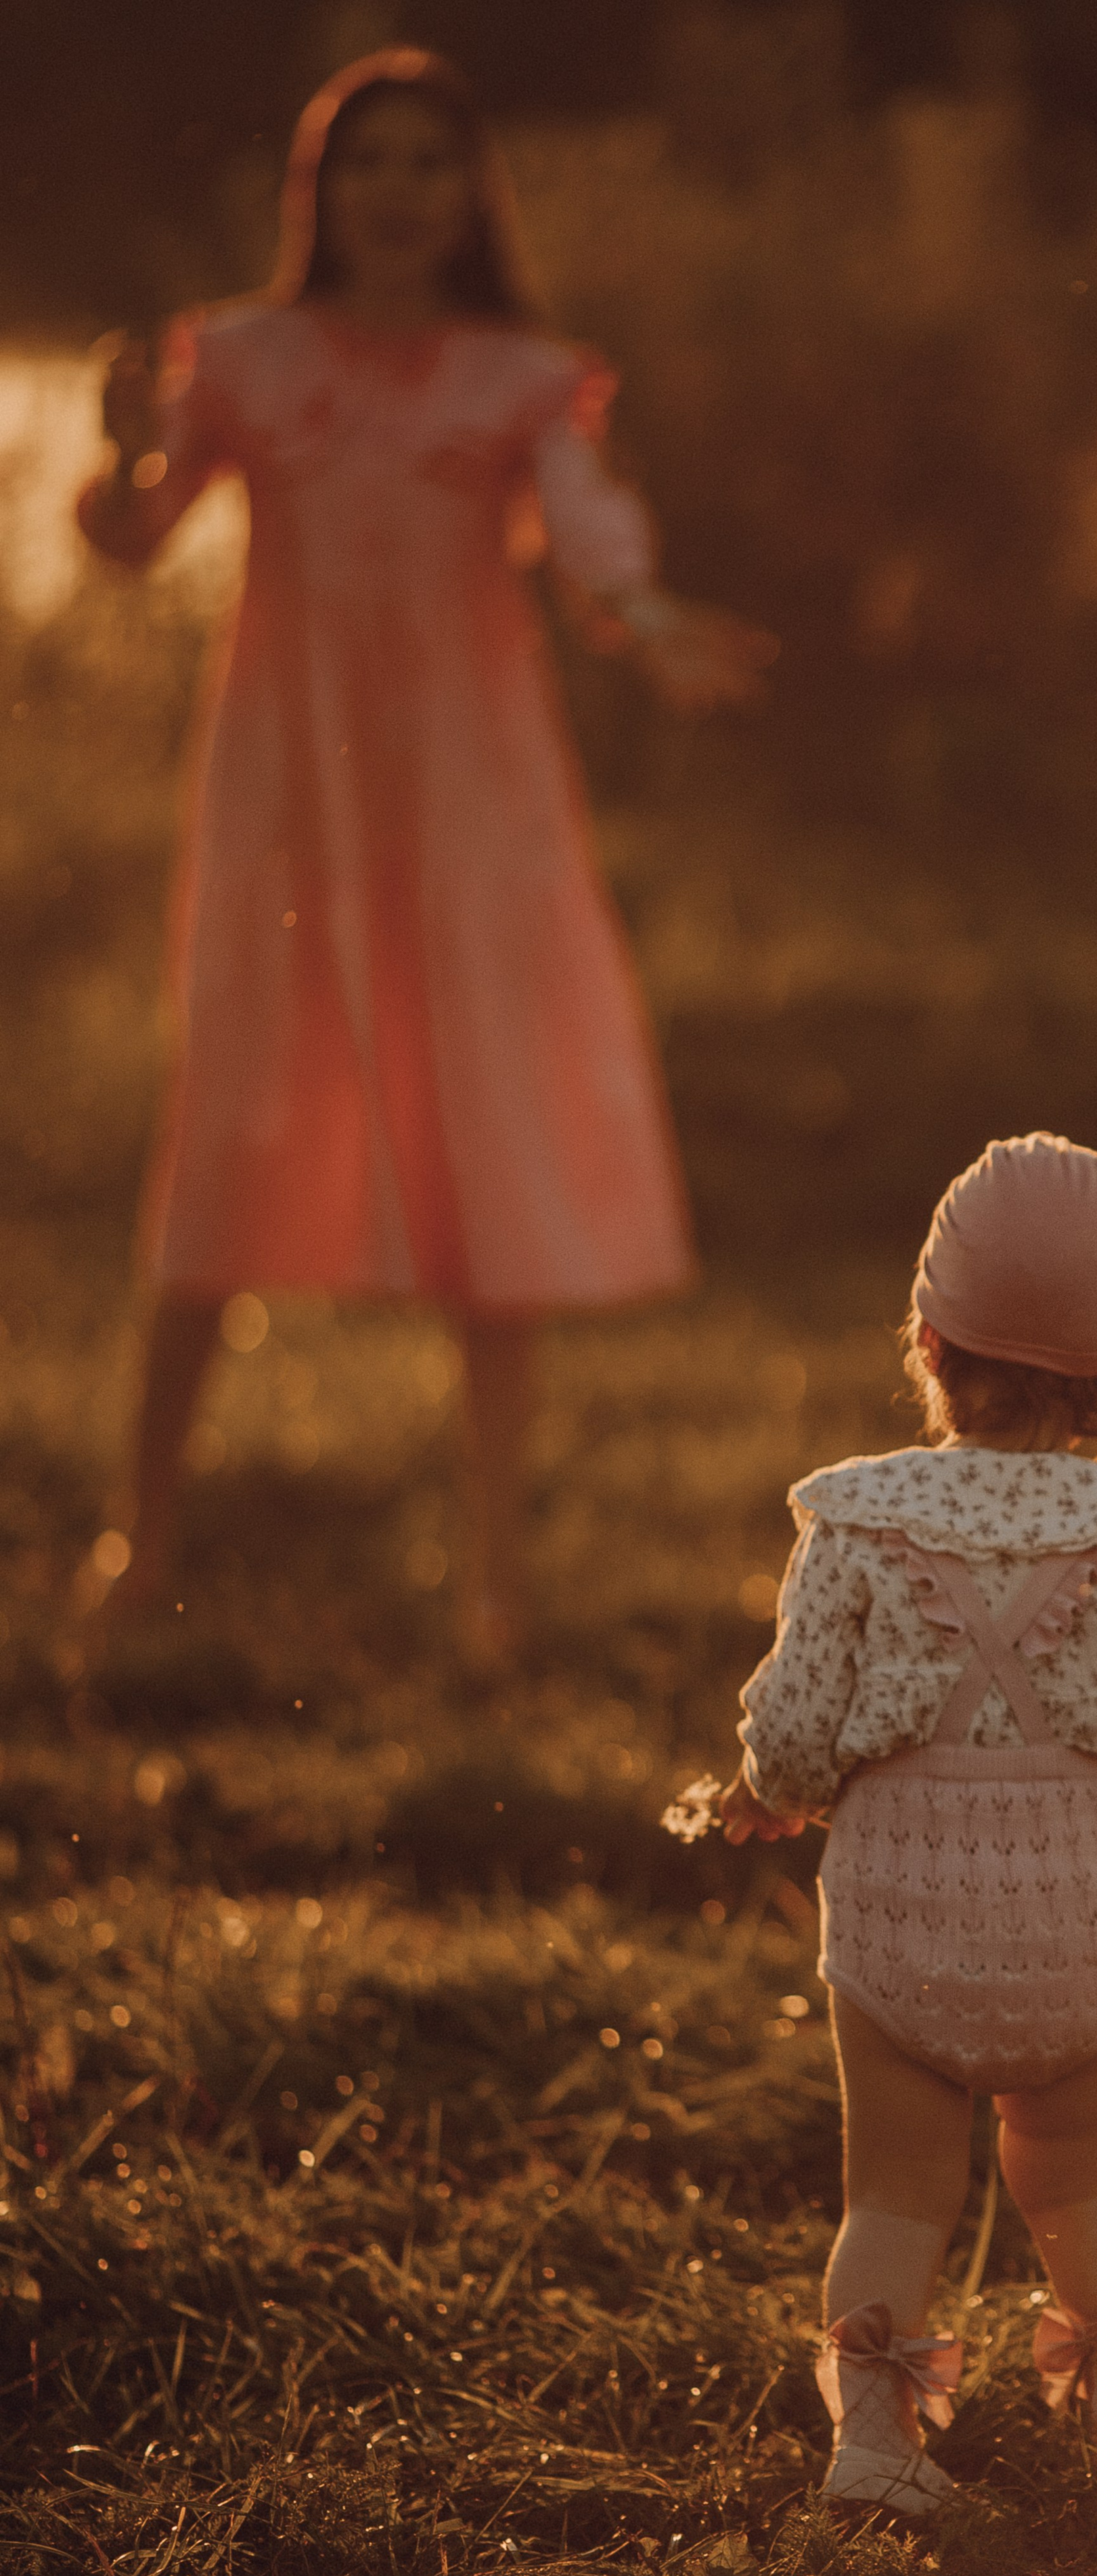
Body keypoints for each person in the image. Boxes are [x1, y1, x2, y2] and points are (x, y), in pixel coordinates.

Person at [77, 48, 773, 1655]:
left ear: (472, 195)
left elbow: (589, 537)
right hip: (286, 796)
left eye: (426, 164)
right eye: (364, 162)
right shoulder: (240, 359)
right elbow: (131, 545)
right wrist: (120, 450)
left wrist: (648, 618)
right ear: (319, 190)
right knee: (233, 1112)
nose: (397, 193)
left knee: (485, 1124)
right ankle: (140, 1536)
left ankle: (493, 1572)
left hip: (471, 805)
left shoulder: (522, 378)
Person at [705, 1133, 1097, 2512]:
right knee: (1078, 2183)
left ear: (928, 1340)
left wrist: (772, 1789)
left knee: (893, 2197)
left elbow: (793, 1723)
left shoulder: (857, 1518)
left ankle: (873, 2446)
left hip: (898, 1918)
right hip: (1073, 1926)